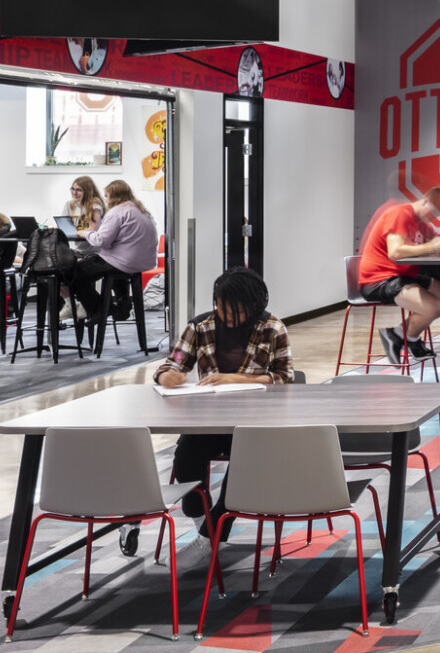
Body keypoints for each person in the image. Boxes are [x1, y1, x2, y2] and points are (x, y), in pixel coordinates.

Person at [154, 268, 295, 536]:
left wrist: (236, 379)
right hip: (211, 419)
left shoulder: (272, 329)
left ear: (253, 306)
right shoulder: (200, 326)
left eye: (235, 310)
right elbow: (173, 363)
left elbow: (285, 378)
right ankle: (199, 510)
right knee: (185, 458)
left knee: (243, 468)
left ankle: (217, 526)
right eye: (221, 307)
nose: (227, 316)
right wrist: (167, 376)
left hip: (256, 423)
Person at [358, 186, 440, 362]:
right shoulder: (400, 213)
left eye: (437, 215)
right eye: (433, 212)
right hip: (379, 279)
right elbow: (395, 252)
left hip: (405, 276)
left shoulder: (422, 224)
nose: (432, 218)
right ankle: (410, 339)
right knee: (432, 306)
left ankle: (398, 334)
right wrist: (434, 247)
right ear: (424, 201)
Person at [69, 179, 159, 325]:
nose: (106, 199)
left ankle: (101, 309)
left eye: (107, 196)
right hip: (142, 262)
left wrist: (85, 233)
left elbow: (101, 241)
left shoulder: (118, 211)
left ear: (113, 197)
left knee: (73, 273)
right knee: (112, 266)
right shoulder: (141, 210)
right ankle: (122, 304)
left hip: (123, 261)